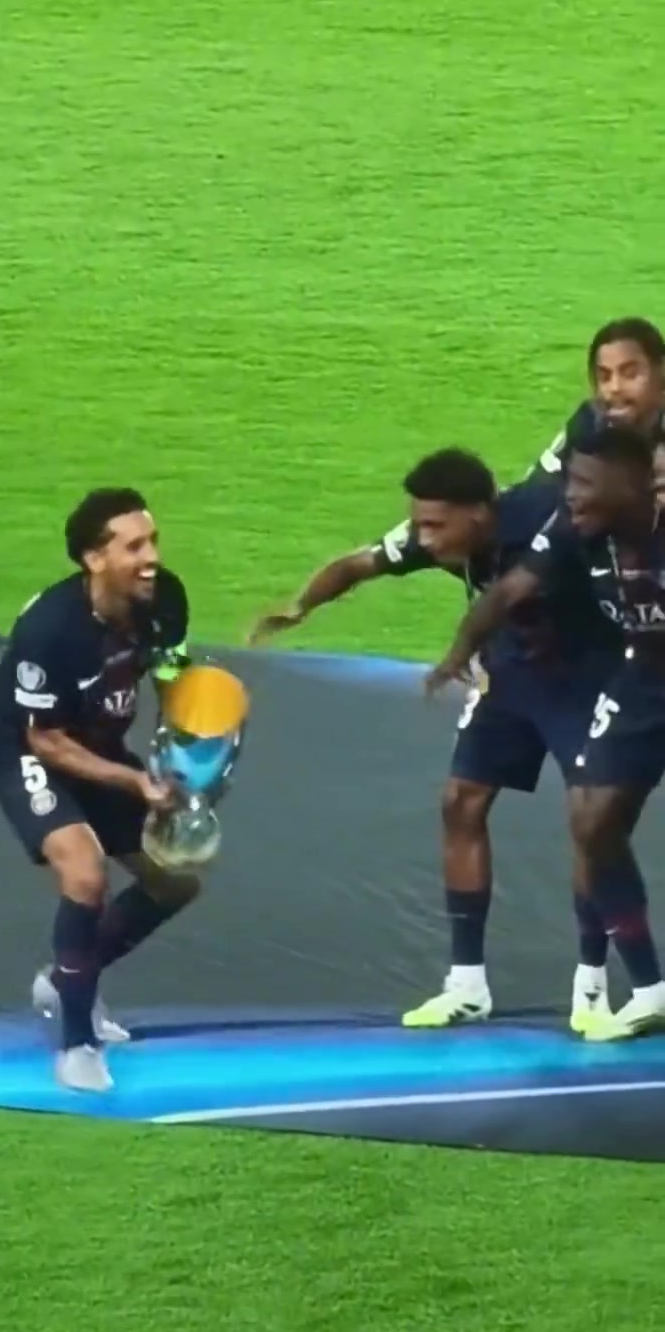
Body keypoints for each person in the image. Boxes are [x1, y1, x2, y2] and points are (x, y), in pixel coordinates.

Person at [250, 448, 621, 1031]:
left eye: (435, 525)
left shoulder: (550, 519)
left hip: (585, 681)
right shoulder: (438, 536)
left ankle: (592, 987)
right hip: (510, 676)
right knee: (460, 801)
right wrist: (299, 607)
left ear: (479, 514)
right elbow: (359, 563)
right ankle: (466, 985)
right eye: (419, 524)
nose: (424, 538)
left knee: (590, 822)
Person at [428, 424, 665, 1042]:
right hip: (646, 681)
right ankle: (651, 990)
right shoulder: (573, 528)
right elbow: (510, 589)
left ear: (629, 483)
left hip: (614, 674)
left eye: (584, 482)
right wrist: (459, 651)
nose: (572, 494)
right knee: (592, 819)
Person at [0, 489, 199, 1093]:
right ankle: (77, 1045)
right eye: (134, 547)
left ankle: (64, 980)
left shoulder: (165, 598)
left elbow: (171, 677)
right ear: (94, 559)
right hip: (24, 748)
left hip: (96, 745)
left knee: (175, 880)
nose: (152, 558)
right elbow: (46, 740)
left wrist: (183, 754)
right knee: (85, 873)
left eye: (153, 541)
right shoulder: (49, 630)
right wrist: (135, 781)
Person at [530, 318, 665, 481]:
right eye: (605, 377)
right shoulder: (589, 420)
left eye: (630, 374)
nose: (615, 388)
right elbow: (537, 486)